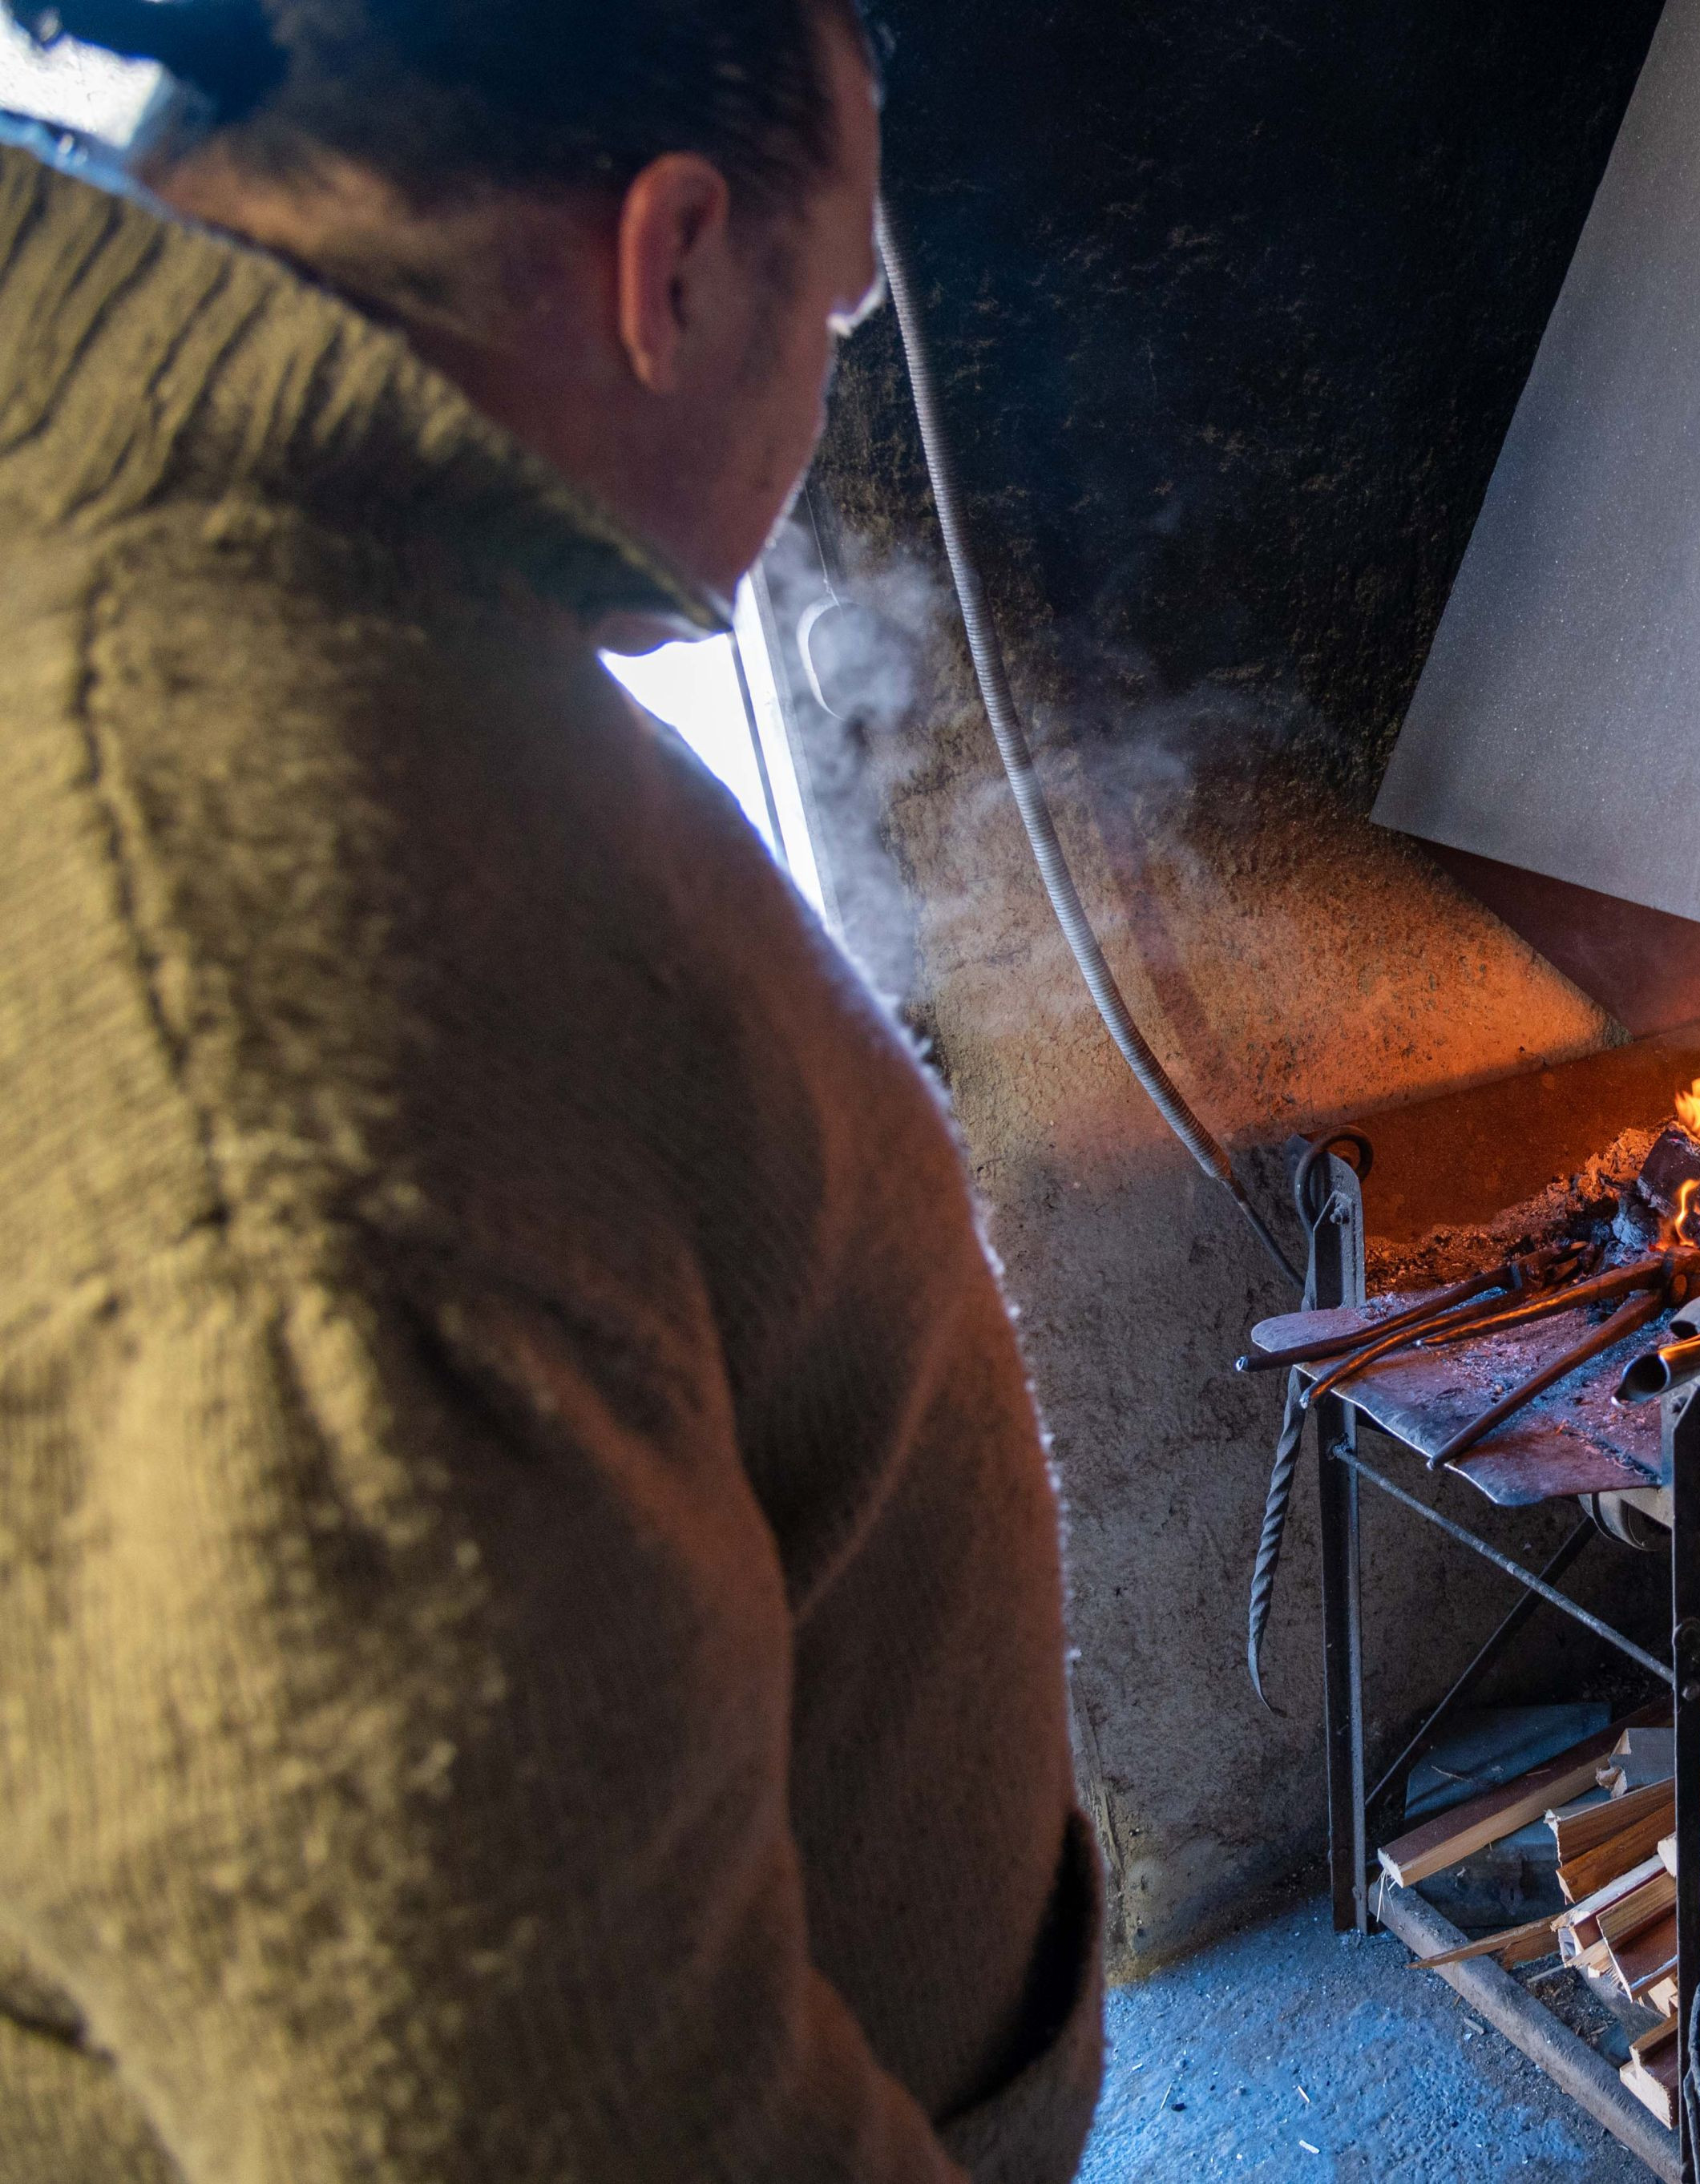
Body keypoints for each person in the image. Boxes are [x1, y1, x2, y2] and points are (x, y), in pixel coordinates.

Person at [0, 3, 1103, 2176]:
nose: (827, 374)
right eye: (839, 304)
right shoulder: (273, 1106)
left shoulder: (303, 585)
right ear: (671, 262)